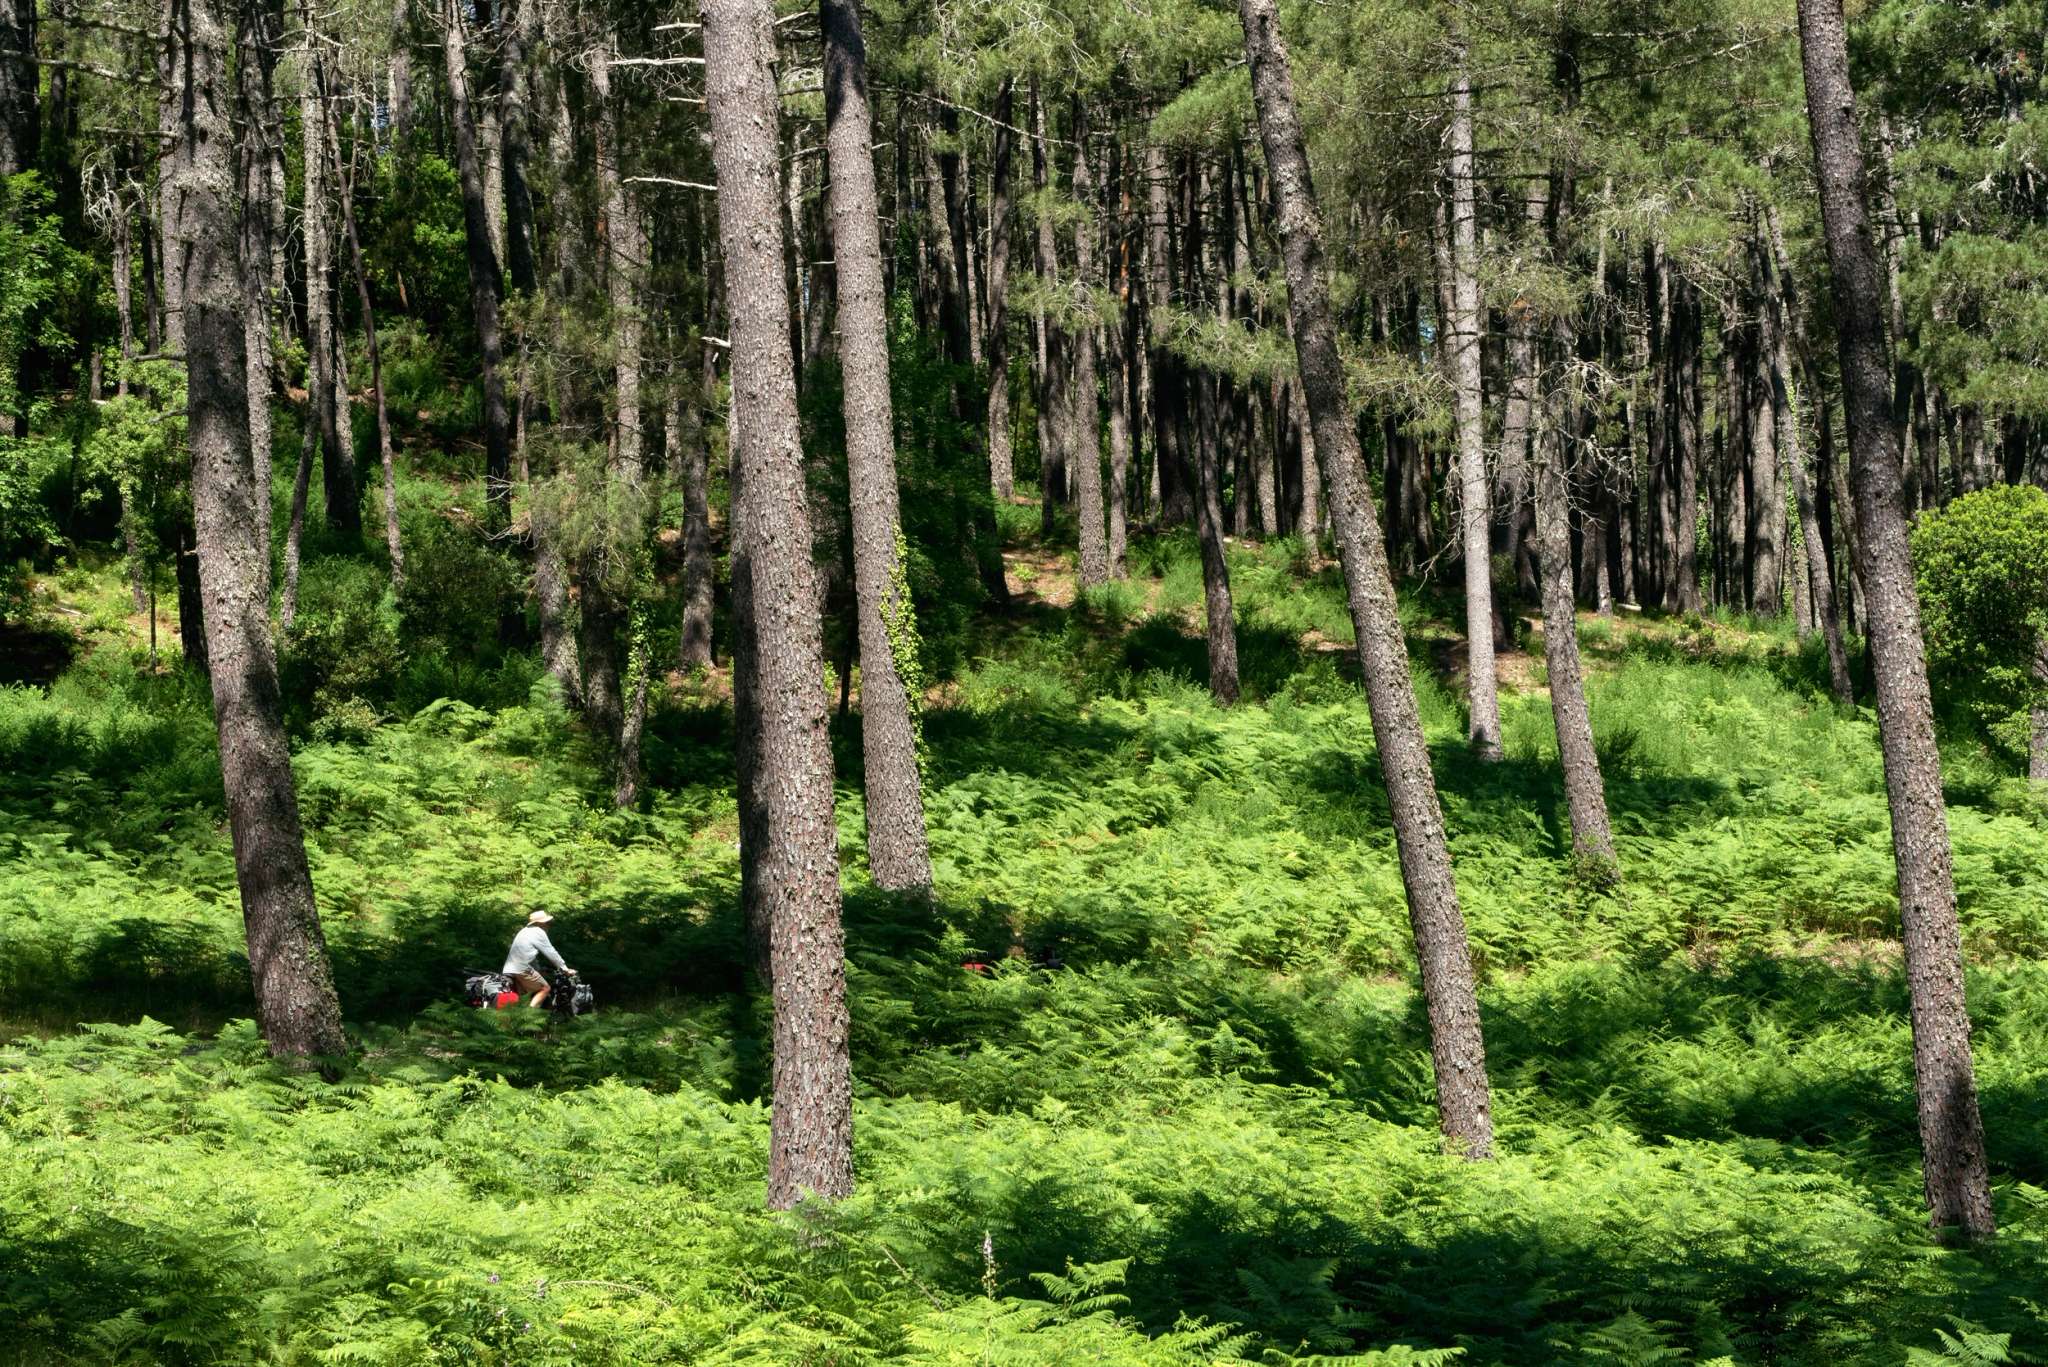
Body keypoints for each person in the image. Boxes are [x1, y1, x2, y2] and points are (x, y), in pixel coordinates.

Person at [503, 910, 573, 1009]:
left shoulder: (524, 931)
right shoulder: (538, 931)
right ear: (540, 923)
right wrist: (565, 968)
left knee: (523, 996)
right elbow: (551, 952)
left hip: (510, 968)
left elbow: (528, 954)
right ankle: (529, 1016)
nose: (549, 925)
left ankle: (517, 1019)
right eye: (547, 923)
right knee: (545, 989)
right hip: (522, 968)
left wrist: (538, 970)